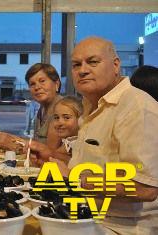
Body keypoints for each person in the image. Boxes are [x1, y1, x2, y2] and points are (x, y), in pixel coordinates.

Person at [31, 37, 158, 234]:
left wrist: (74, 179)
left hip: (121, 227)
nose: (82, 70)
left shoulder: (137, 106)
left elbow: (144, 188)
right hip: (86, 215)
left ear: (116, 65)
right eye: (76, 65)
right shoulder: (91, 106)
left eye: (93, 62)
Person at [28, 96, 83, 165]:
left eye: (67, 117)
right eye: (56, 117)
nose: (60, 122)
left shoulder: (80, 143)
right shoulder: (67, 143)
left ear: (81, 119)